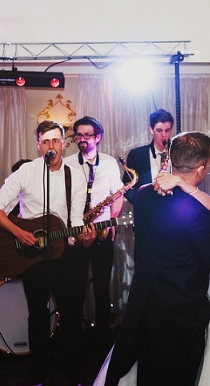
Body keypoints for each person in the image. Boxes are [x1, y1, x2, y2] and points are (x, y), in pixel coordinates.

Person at [100, 132, 210, 386]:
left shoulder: (144, 195)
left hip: (147, 303)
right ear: (201, 170)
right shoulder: (198, 210)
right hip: (181, 309)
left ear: (171, 159)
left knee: (150, 374)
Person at [0, 120, 96, 385]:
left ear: (63, 143)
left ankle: (74, 374)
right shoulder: (27, 171)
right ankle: (39, 376)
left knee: (71, 316)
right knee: (37, 316)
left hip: (64, 255)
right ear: (38, 145)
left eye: (56, 141)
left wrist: (85, 238)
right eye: (46, 141)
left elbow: (75, 223)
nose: (51, 146)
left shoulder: (75, 175)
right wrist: (18, 232)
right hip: (32, 256)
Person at [65, 116, 125, 354]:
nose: (81, 139)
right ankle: (74, 345)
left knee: (102, 289)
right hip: (76, 234)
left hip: (102, 233)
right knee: (75, 290)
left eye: (87, 135)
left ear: (98, 137)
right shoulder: (68, 162)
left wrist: (111, 221)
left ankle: (102, 343)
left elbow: (117, 195)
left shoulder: (109, 163)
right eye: (78, 135)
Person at [124, 109, 173, 204]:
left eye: (167, 131)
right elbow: (128, 186)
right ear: (151, 129)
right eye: (159, 130)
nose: (164, 135)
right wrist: (141, 204)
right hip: (147, 211)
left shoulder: (179, 154)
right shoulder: (136, 155)